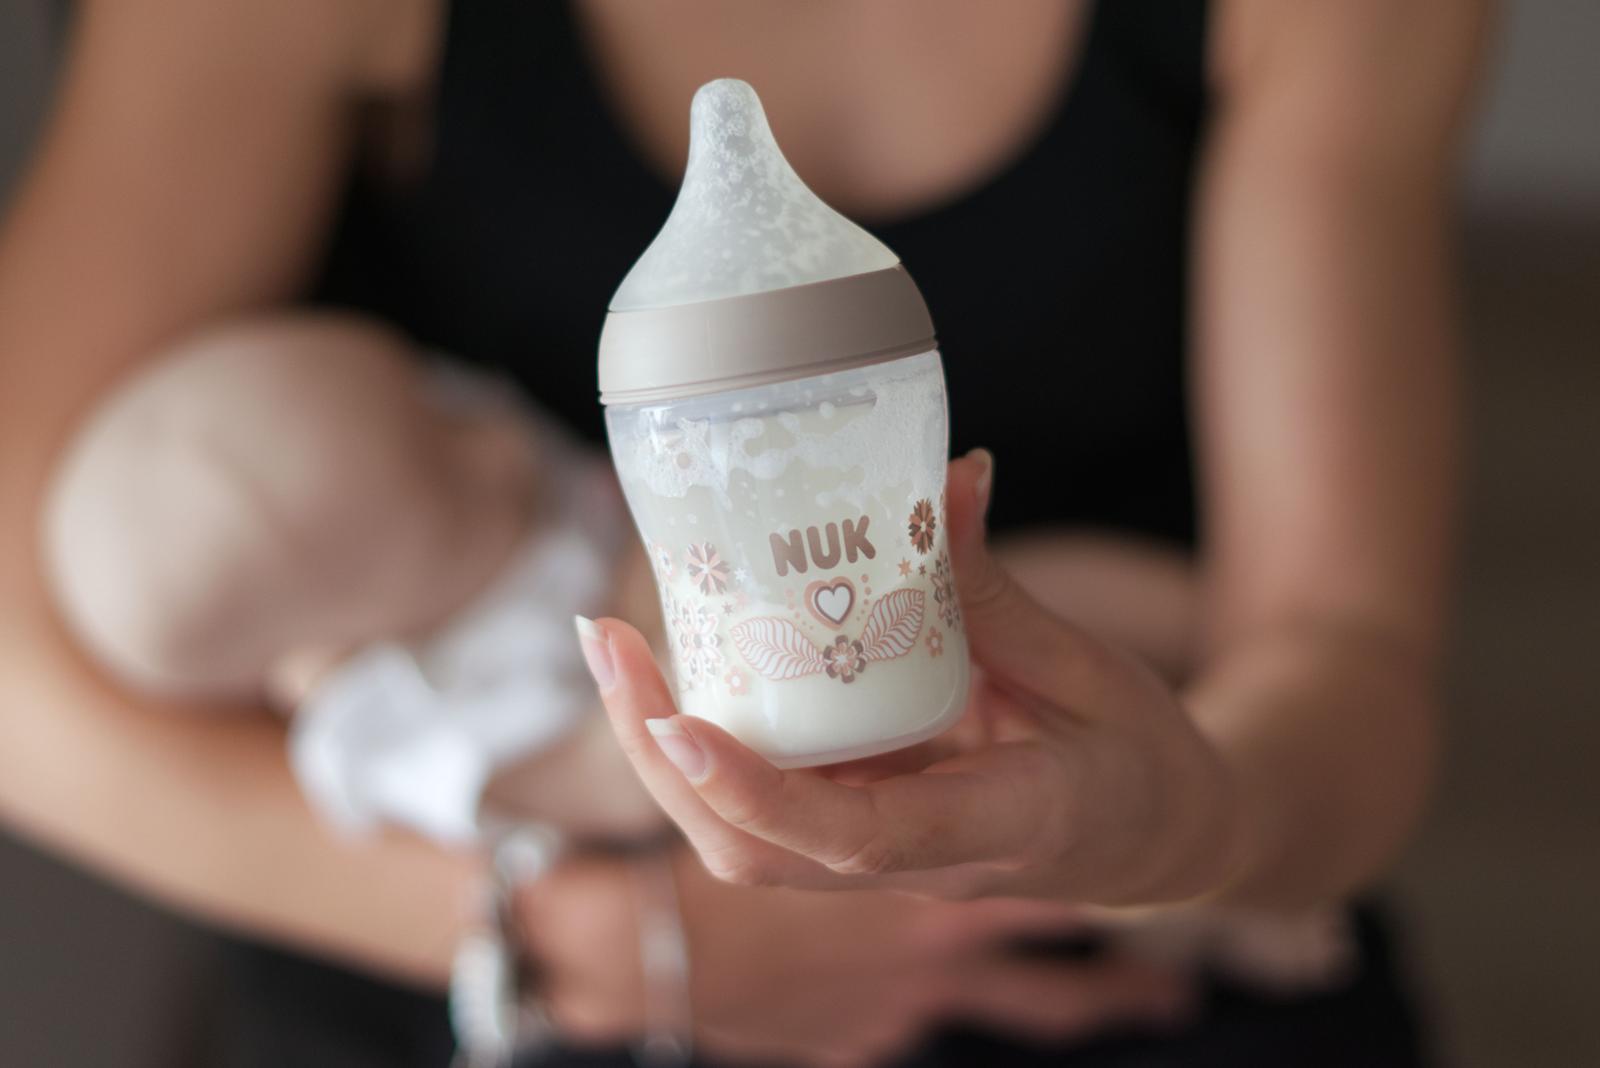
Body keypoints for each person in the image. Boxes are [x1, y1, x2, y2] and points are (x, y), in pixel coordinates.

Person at [0, 1, 1489, 1065]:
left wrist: (1195, 827)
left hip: (1128, 932)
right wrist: (585, 935)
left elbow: (1342, 656)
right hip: (481, 996)